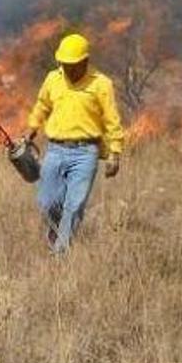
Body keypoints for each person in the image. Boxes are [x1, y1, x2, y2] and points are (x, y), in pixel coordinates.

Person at [23, 33, 125, 254]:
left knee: (75, 204)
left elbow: (112, 119)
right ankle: (54, 232)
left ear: (85, 62)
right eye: (64, 64)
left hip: (86, 152)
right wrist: (32, 128)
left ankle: (60, 252)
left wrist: (115, 152)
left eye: (72, 65)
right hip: (55, 150)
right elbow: (42, 105)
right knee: (47, 201)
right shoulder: (53, 79)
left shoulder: (101, 84)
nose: (67, 69)